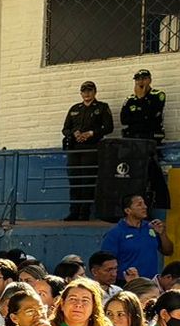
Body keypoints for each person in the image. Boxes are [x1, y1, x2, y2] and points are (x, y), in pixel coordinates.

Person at [62, 80, 115, 221]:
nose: (87, 93)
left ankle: (84, 213)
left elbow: (109, 127)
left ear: (95, 92)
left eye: (90, 90)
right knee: (74, 180)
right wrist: (74, 133)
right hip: (74, 149)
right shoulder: (75, 108)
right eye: (84, 91)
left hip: (92, 149)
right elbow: (65, 128)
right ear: (81, 93)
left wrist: (91, 133)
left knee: (87, 181)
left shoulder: (102, 107)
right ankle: (74, 211)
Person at [102, 193, 172, 281]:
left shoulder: (151, 227)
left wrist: (162, 234)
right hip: (126, 283)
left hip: (150, 283)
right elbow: (106, 262)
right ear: (128, 211)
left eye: (144, 203)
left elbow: (168, 251)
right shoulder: (115, 233)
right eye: (139, 204)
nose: (145, 207)